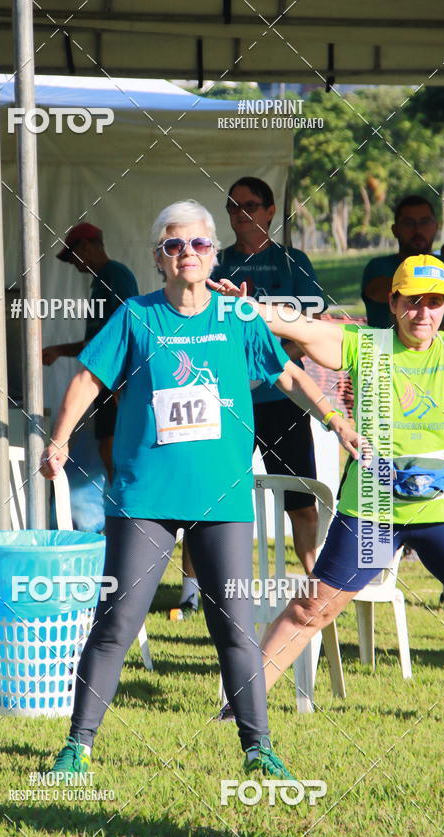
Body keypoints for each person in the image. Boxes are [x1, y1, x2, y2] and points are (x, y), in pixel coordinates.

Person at [41, 199, 361, 778]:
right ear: (158, 258)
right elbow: (88, 380)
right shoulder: (136, 317)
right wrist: (59, 439)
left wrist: (337, 420)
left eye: (198, 244)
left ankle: (259, 750)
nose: (187, 254)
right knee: (116, 622)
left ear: (213, 252)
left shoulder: (237, 319)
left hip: (223, 497)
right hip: (145, 497)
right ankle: (77, 747)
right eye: (173, 245)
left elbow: (288, 375)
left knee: (233, 628)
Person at [213, 256, 444, 759]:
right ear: (392, 303)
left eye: (434, 302)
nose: (423, 312)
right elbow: (300, 326)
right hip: (374, 508)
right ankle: (241, 707)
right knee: (313, 608)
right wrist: (248, 309)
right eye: (412, 300)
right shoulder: (365, 346)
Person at [210, 175, 325, 579]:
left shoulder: (294, 263)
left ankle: (316, 584)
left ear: (271, 211)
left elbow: (312, 329)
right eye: (233, 207)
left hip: (284, 401)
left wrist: (268, 364)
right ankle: (194, 592)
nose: (240, 215)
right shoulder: (214, 263)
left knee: (301, 502)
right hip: (228, 403)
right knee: (215, 498)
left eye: (250, 206)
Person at [42, 222, 138, 483]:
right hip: (105, 376)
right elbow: (96, 343)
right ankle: (118, 509)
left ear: (84, 247)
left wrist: (121, 384)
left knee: (114, 447)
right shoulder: (102, 280)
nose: (72, 264)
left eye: (71, 256)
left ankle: (124, 510)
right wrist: (60, 350)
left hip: (115, 377)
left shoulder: (115, 275)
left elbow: (125, 332)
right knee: (107, 447)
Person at [361, 195, 444, 328]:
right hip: (385, 346)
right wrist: (441, 287)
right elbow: (377, 291)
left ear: (436, 227)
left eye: (425, 222)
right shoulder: (379, 266)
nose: (417, 230)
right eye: (408, 223)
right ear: (395, 230)